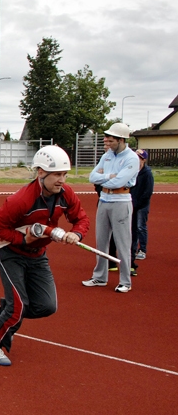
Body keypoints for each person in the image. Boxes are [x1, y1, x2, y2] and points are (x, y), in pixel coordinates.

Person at [0, 145, 89, 366]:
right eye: (57, 174)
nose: (62, 179)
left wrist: (77, 234)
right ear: (41, 172)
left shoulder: (66, 194)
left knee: (47, 306)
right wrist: (22, 239)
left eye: (64, 174)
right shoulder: (21, 200)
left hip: (38, 255)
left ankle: (5, 311)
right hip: (11, 255)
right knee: (18, 306)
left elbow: (81, 218)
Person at [82, 123, 139, 293]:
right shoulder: (107, 155)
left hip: (121, 201)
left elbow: (119, 182)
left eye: (110, 139)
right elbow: (92, 177)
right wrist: (108, 176)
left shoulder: (131, 158)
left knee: (123, 243)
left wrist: (105, 179)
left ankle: (125, 281)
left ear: (121, 139)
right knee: (101, 241)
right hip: (104, 200)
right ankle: (100, 277)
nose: (106, 141)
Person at [131, 149, 154, 262]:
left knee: (141, 227)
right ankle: (133, 249)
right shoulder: (133, 171)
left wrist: (139, 203)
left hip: (142, 205)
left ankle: (142, 250)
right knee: (133, 228)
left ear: (143, 160)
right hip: (133, 204)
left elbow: (148, 192)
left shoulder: (147, 173)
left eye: (139, 157)